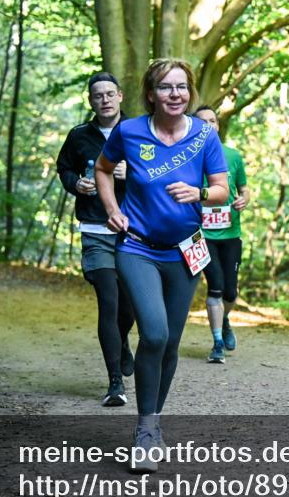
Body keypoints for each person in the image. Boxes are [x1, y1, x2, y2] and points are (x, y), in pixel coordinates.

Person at [95, 58, 229, 473]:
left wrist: (200, 192)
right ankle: (146, 429)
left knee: (169, 342)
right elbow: (102, 169)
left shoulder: (205, 135)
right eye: (167, 88)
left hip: (185, 250)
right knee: (153, 331)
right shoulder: (130, 131)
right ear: (151, 94)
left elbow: (224, 191)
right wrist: (112, 209)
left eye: (183, 88)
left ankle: (150, 426)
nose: (176, 95)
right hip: (137, 248)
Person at [56, 72, 136, 407]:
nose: (103, 100)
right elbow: (64, 169)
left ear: (119, 96)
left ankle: (123, 341)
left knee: (129, 306)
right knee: (108, 301)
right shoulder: (78, 136)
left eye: (109, 94)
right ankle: (115, 382)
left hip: (134, 233)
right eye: (97, 95)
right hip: (95, 229)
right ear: (91, 101)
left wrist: (132, 172)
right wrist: (76, 184)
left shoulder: (139, 132)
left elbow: (162, 174)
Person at [193, 105, 250, 364]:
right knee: (215, 286)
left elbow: (244, 189)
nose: (208, 126)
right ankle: (217, 342)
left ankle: (225, 320)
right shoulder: (188, 157)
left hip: (230, 233)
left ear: (218, 125)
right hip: (201, 235)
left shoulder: (233, 156)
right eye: (202, 122)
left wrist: (244, 200)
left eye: (212, 121)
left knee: (230, 292)